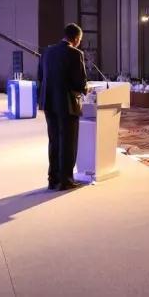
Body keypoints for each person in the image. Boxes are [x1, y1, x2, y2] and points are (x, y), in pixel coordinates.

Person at [37, 23, 88, 191]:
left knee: (54, 140)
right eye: (80, 40)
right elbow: (80, 82)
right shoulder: (75, 54)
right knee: (68, 142)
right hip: (67, 104)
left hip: (48, 102)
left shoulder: (46, 52)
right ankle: (66, 180)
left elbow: (40, 76)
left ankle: (53, 179)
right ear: (76, 38)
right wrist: (86, 88)